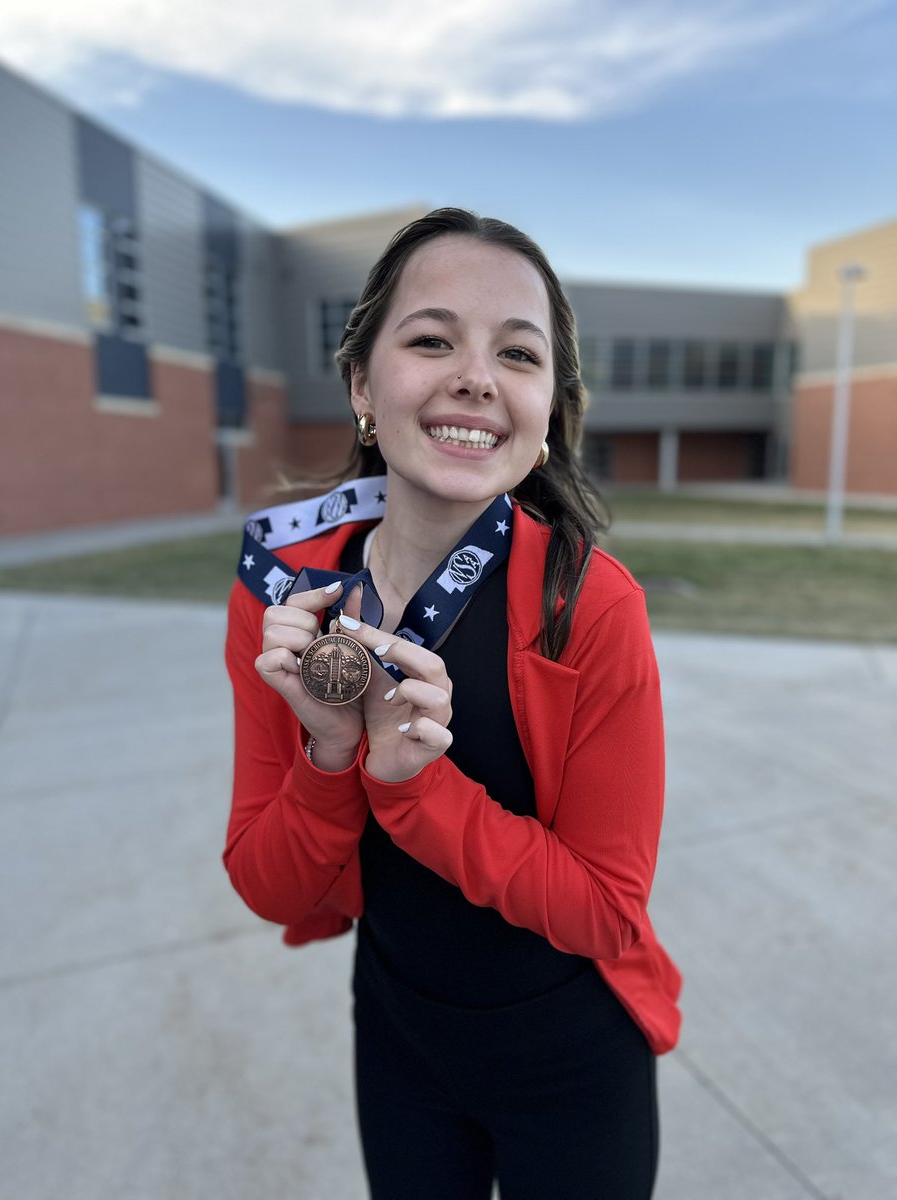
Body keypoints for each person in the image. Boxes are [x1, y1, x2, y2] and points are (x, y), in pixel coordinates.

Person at [223, 208, 682, 1199]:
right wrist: (331, 755)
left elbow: (608, 913)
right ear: (360, 382)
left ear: (549, 406)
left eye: (517, 354)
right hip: (398, 1037)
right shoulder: (280, 598)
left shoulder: (591, 607)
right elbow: (269, 884)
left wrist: (415, 789)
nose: (475, 375)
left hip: (571, 1055)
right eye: (431, 339)